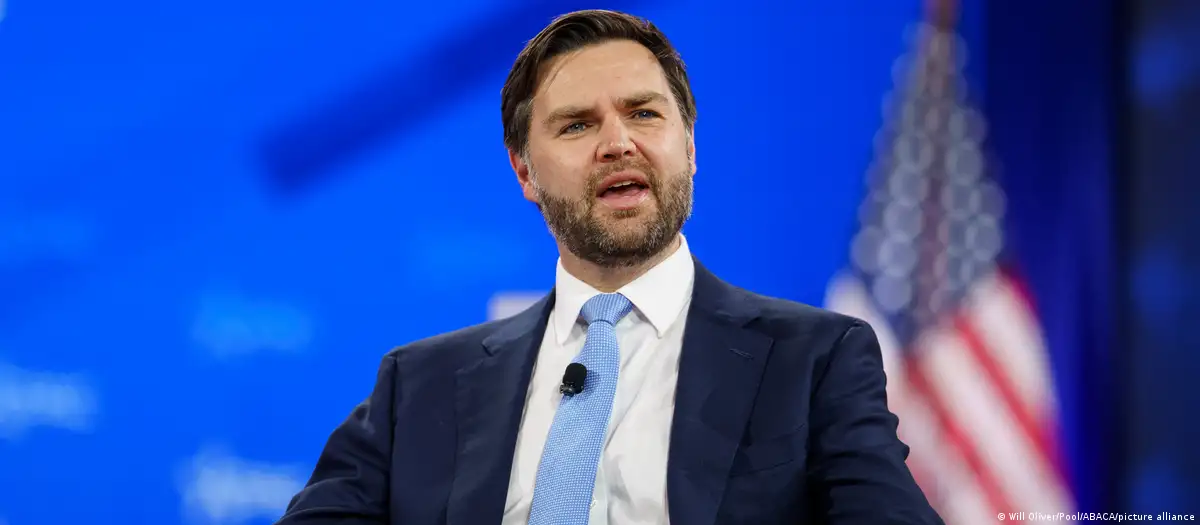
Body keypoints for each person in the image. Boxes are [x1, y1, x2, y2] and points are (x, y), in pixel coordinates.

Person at [275, 9, 943, 525]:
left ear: (688, 147)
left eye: (643, 114)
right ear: (524, 172)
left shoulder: (814, 360)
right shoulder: (419, 385)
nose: (618, 143)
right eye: (576, 125)